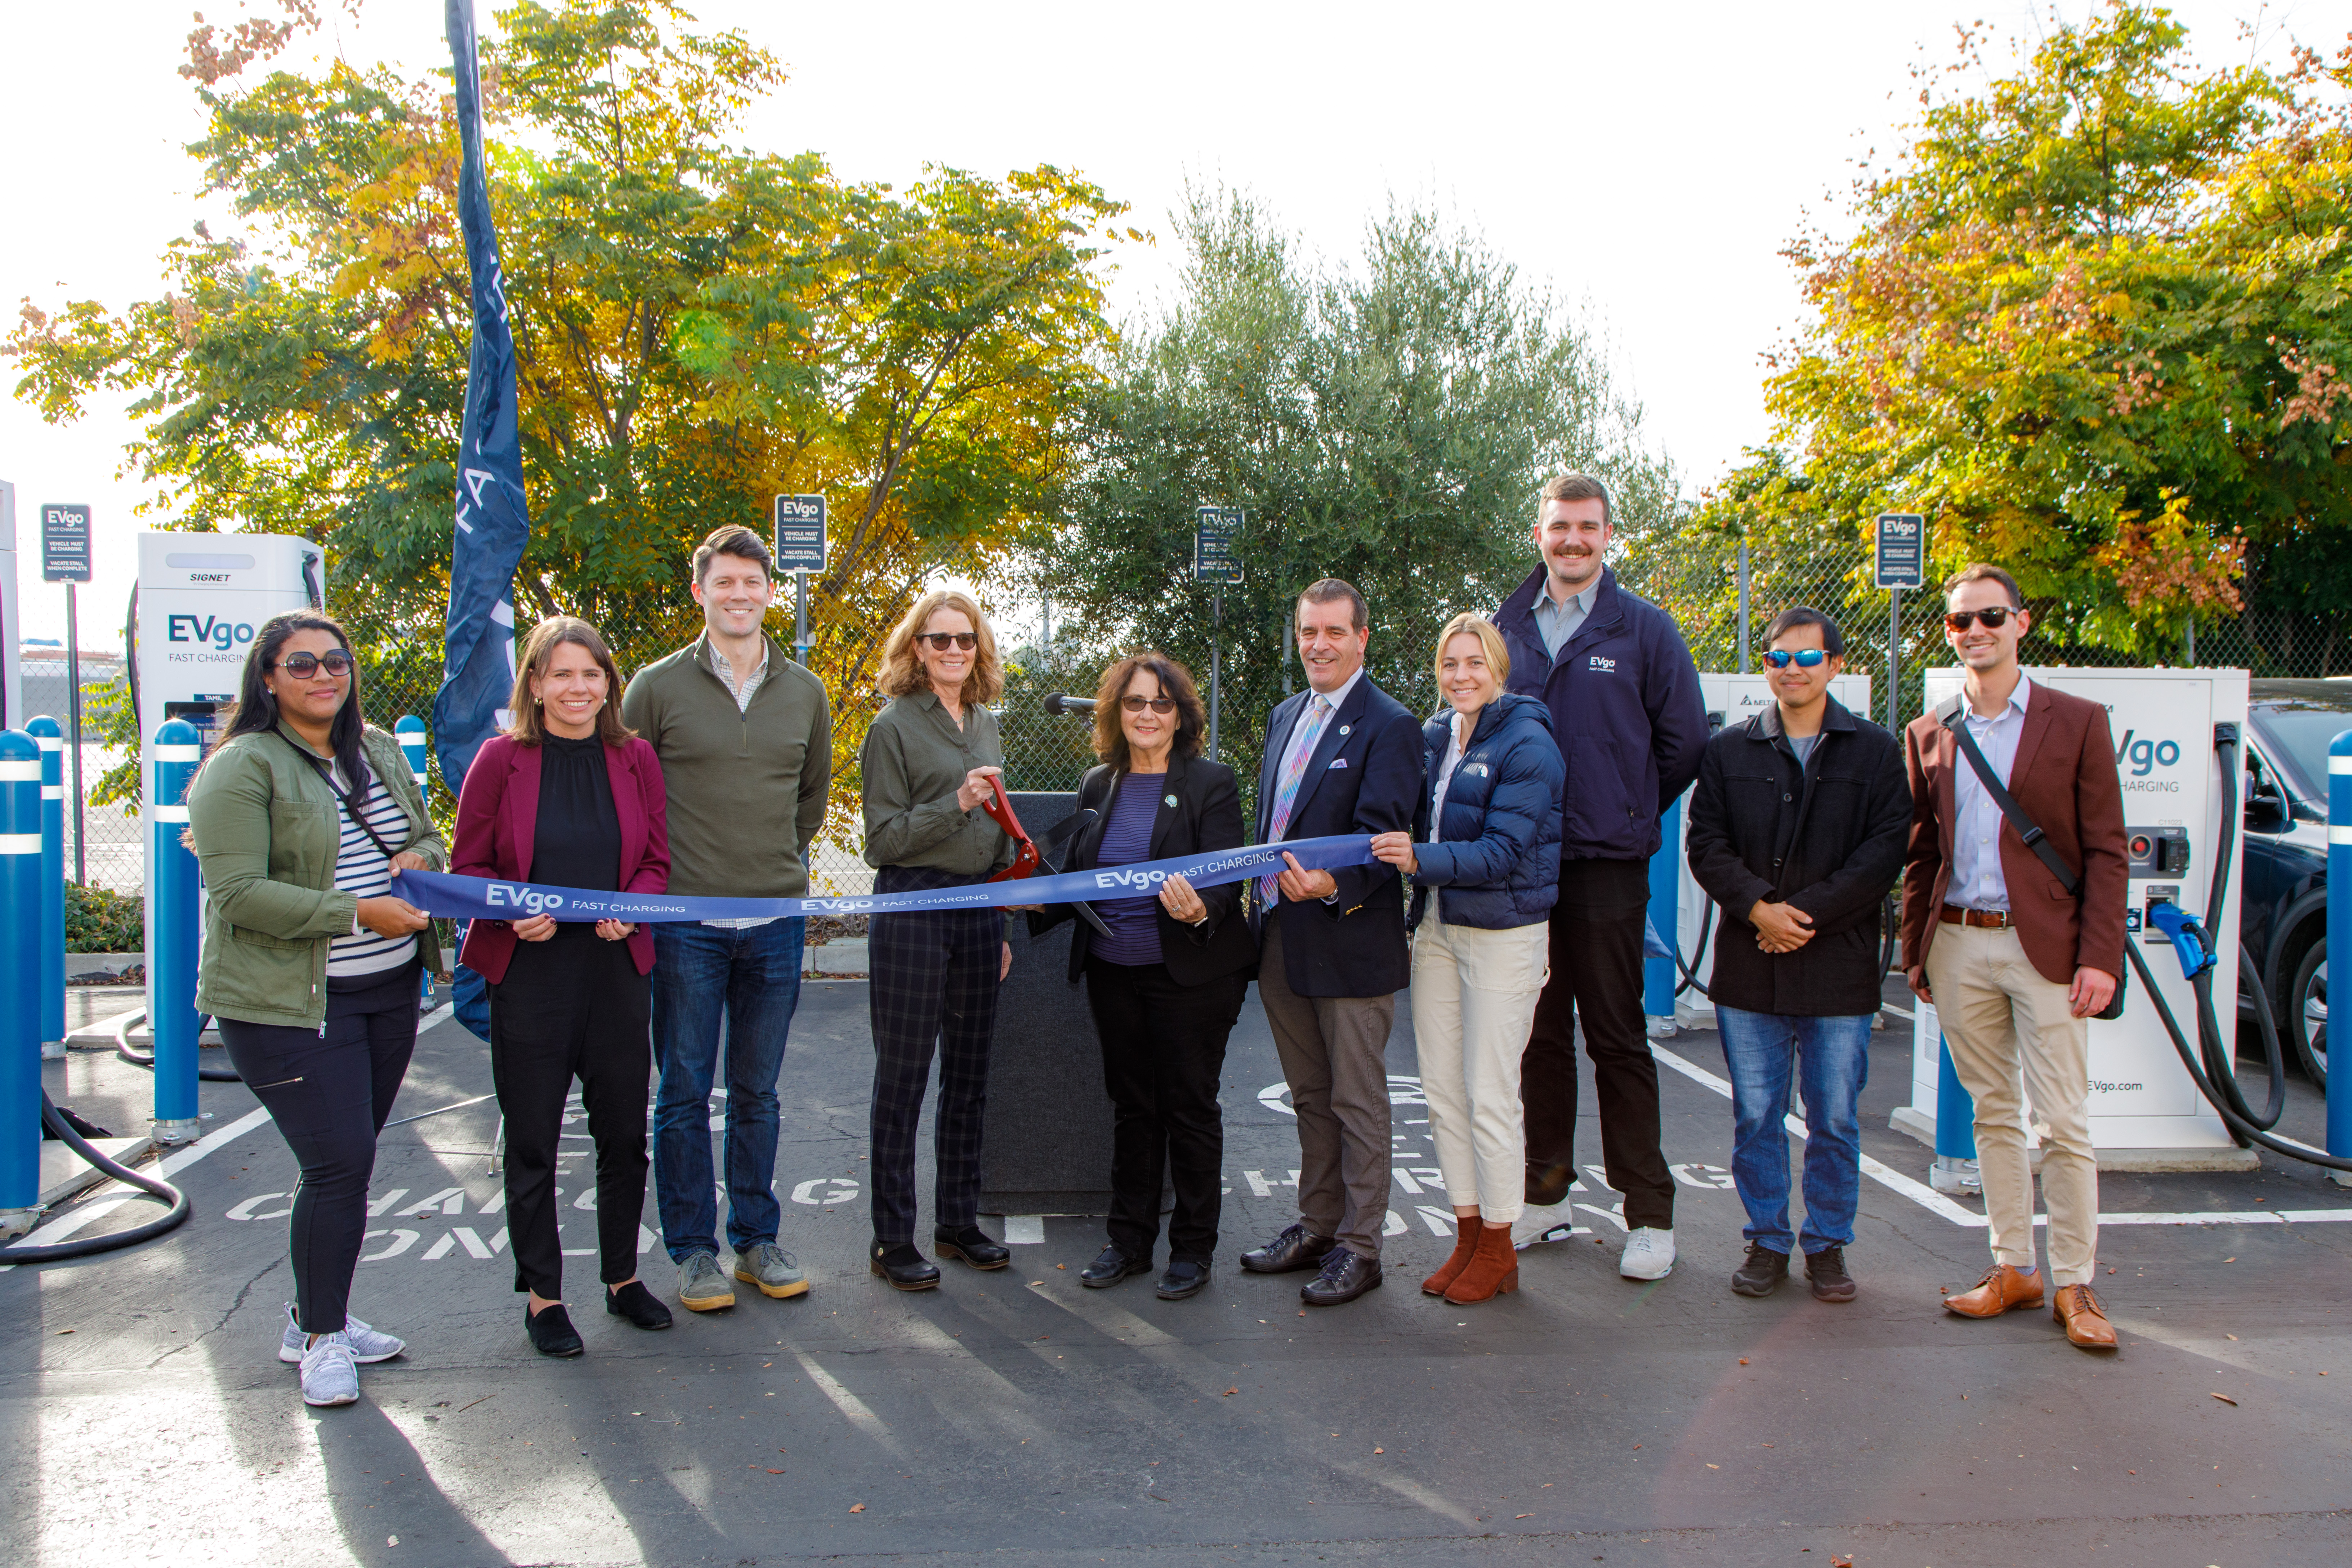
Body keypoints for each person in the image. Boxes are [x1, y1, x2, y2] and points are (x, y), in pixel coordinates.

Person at [186, 612, 445, 1408]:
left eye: (336, 661)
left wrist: (418, 859)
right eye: (301, 664)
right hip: (287, 1004)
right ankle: (323, 1338)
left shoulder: (373, 749)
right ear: (267, 677)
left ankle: (313, 1317)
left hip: (387, 990)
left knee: (343, 1163)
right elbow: (238, 894)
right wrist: (358, 911)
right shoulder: (243, 765)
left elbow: (433, 837)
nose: (323, 675)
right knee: (340, 1165)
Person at [1901, 563, 2126, 1350]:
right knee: (1992, 1115)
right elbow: (1922, 852)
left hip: (2048, 951)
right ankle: (2012, 1268)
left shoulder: (2077, 721)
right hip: (1960, 943)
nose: (1976, 631)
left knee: (2061, 1120)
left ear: (2020, 624)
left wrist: (2101, 954)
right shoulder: (1930, 732)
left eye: (1990, 616)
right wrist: (1916, 952)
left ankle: (2075, 1282)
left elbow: (2106, 850)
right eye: (1961, 620)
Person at [1494, 472, 1707, 1279]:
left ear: (1607, 535)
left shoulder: (1644, 630)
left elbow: (1682, 742)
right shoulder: (1504, 627)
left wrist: (1626, 806)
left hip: (1609, 868)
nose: (1572, 540)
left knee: (1617, 1038)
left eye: (1587, 527)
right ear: (1538, 534)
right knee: (1539, 1038)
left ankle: (1648, 1212)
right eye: (1559, 527)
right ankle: (1546, 1198)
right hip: (1521, 868)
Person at [621, 525, 832, 1313]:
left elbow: (808, 798)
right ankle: (692, 1250)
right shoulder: (656, 686)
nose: (739, 594)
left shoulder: (805, 691)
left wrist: (769, 865)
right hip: (684, 923)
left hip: (774, 920)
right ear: (700, 590)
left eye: (752, 582)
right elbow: (630, 791)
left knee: (759, 1091)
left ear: (769, 591)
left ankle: (755, 1239)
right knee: (681, 1090)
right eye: (724, 582)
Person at [454, 617, 674, 1355]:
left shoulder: (635, 756)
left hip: (615, 970)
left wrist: (629, 906)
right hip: (531, 974)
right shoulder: (500, 760)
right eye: (562, 673)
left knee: (622, 1134)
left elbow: (656, 861)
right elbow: (470, 869)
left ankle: (621, 1278)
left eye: (592, 673)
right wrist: (515, 909)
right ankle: (544, 1296)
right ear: (536, 684)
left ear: (608, 682)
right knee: (535, 1140)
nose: (578, 687)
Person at [1685, 607, 1910, 1304]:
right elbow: (1706, 845)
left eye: (1807, 658)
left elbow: (1884, 852)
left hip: (1835, 966)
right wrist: (1758, 908)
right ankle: (1767, 1240)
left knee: (1834, 1116)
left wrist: (1799, 917)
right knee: (1756, 1114)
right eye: (1779, 657)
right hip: (1751, 966)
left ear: (1834, 666)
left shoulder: (1874, 751)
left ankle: (1827, 1245)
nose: (1791, 669)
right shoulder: (1729, 751)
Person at [1034, 653, 1257, 1301]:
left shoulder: (1211, 781)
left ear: (1181, 714)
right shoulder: (1097, 783)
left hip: (1191, 974)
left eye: (1161, 703)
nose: (1147, 715)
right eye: (1135, 703)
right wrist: (1032, 900)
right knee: (1134, 1108)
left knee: (1188, 1108)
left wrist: (1202, 909)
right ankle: (1128, 1242)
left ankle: (1191, 1249)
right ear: (1116, 712)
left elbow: (1225, 875)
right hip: (1113, 972)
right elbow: (1079, 876)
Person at [1239, 579, 1424, 1307]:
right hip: (1282, 937)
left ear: (1361, 639)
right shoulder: (1286, 714)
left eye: (1334, 632)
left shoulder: (1390, 724)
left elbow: (1383, 836)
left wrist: (1332, 886)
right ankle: (1318, 1226)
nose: (1319, 644)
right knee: (1309, 1096)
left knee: (1356, 1099)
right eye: (1308, 630)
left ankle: (1361, 1247)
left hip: (1347, 937)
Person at [1369, 613, 1562, 1305]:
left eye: (1474, 663)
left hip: (1503, 934)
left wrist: (1418, 859)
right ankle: (1468, 1231)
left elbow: (1504, 851)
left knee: (1488, 1093)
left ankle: (1502, 1245)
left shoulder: (1529, 741)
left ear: (1499, 668)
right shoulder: (1432, 737)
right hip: (1439, 929)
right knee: (1444, 1094)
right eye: (1450, 664)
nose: (1461, 676)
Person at [859, 589, 1020, 1291]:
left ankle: (957, 1221)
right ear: (916, 650)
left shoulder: (986, 724)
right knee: (902, 1080)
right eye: (939, 640)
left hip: (979, 912)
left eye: (965, 639)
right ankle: (892, 1237)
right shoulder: (892, 727)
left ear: (978, 648)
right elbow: (880, 840)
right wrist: (953, 802)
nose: (954, 650)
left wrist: (1004, 920)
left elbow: (997, 833)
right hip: (913, 906)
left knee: (971, 1078)